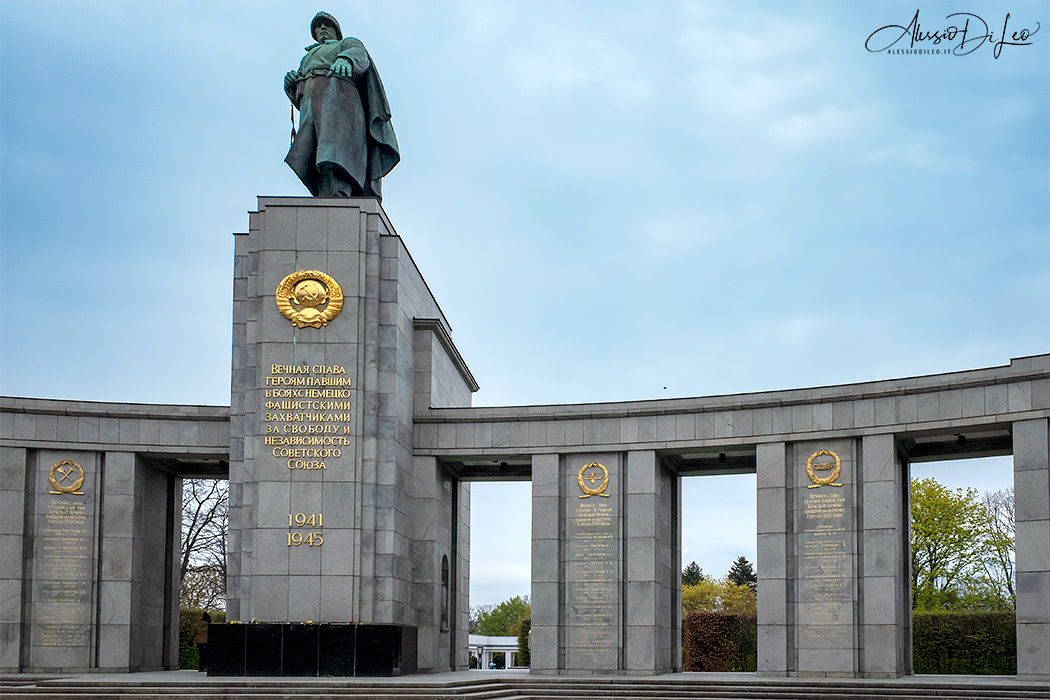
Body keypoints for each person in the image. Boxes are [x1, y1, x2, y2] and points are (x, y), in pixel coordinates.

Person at [284, 12, 400, 200]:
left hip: (339, 100)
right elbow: (299, 94)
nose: (322, 28)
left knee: (334, 150)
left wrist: (345, 59)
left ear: (336, 31)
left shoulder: (344, 44)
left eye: (326, 25)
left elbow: (359, 54)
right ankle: (326, 195)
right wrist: (292, 85)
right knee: (315, 153)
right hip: (311, 106)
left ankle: (341, 192)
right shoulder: (307, 57)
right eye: (318, 26)